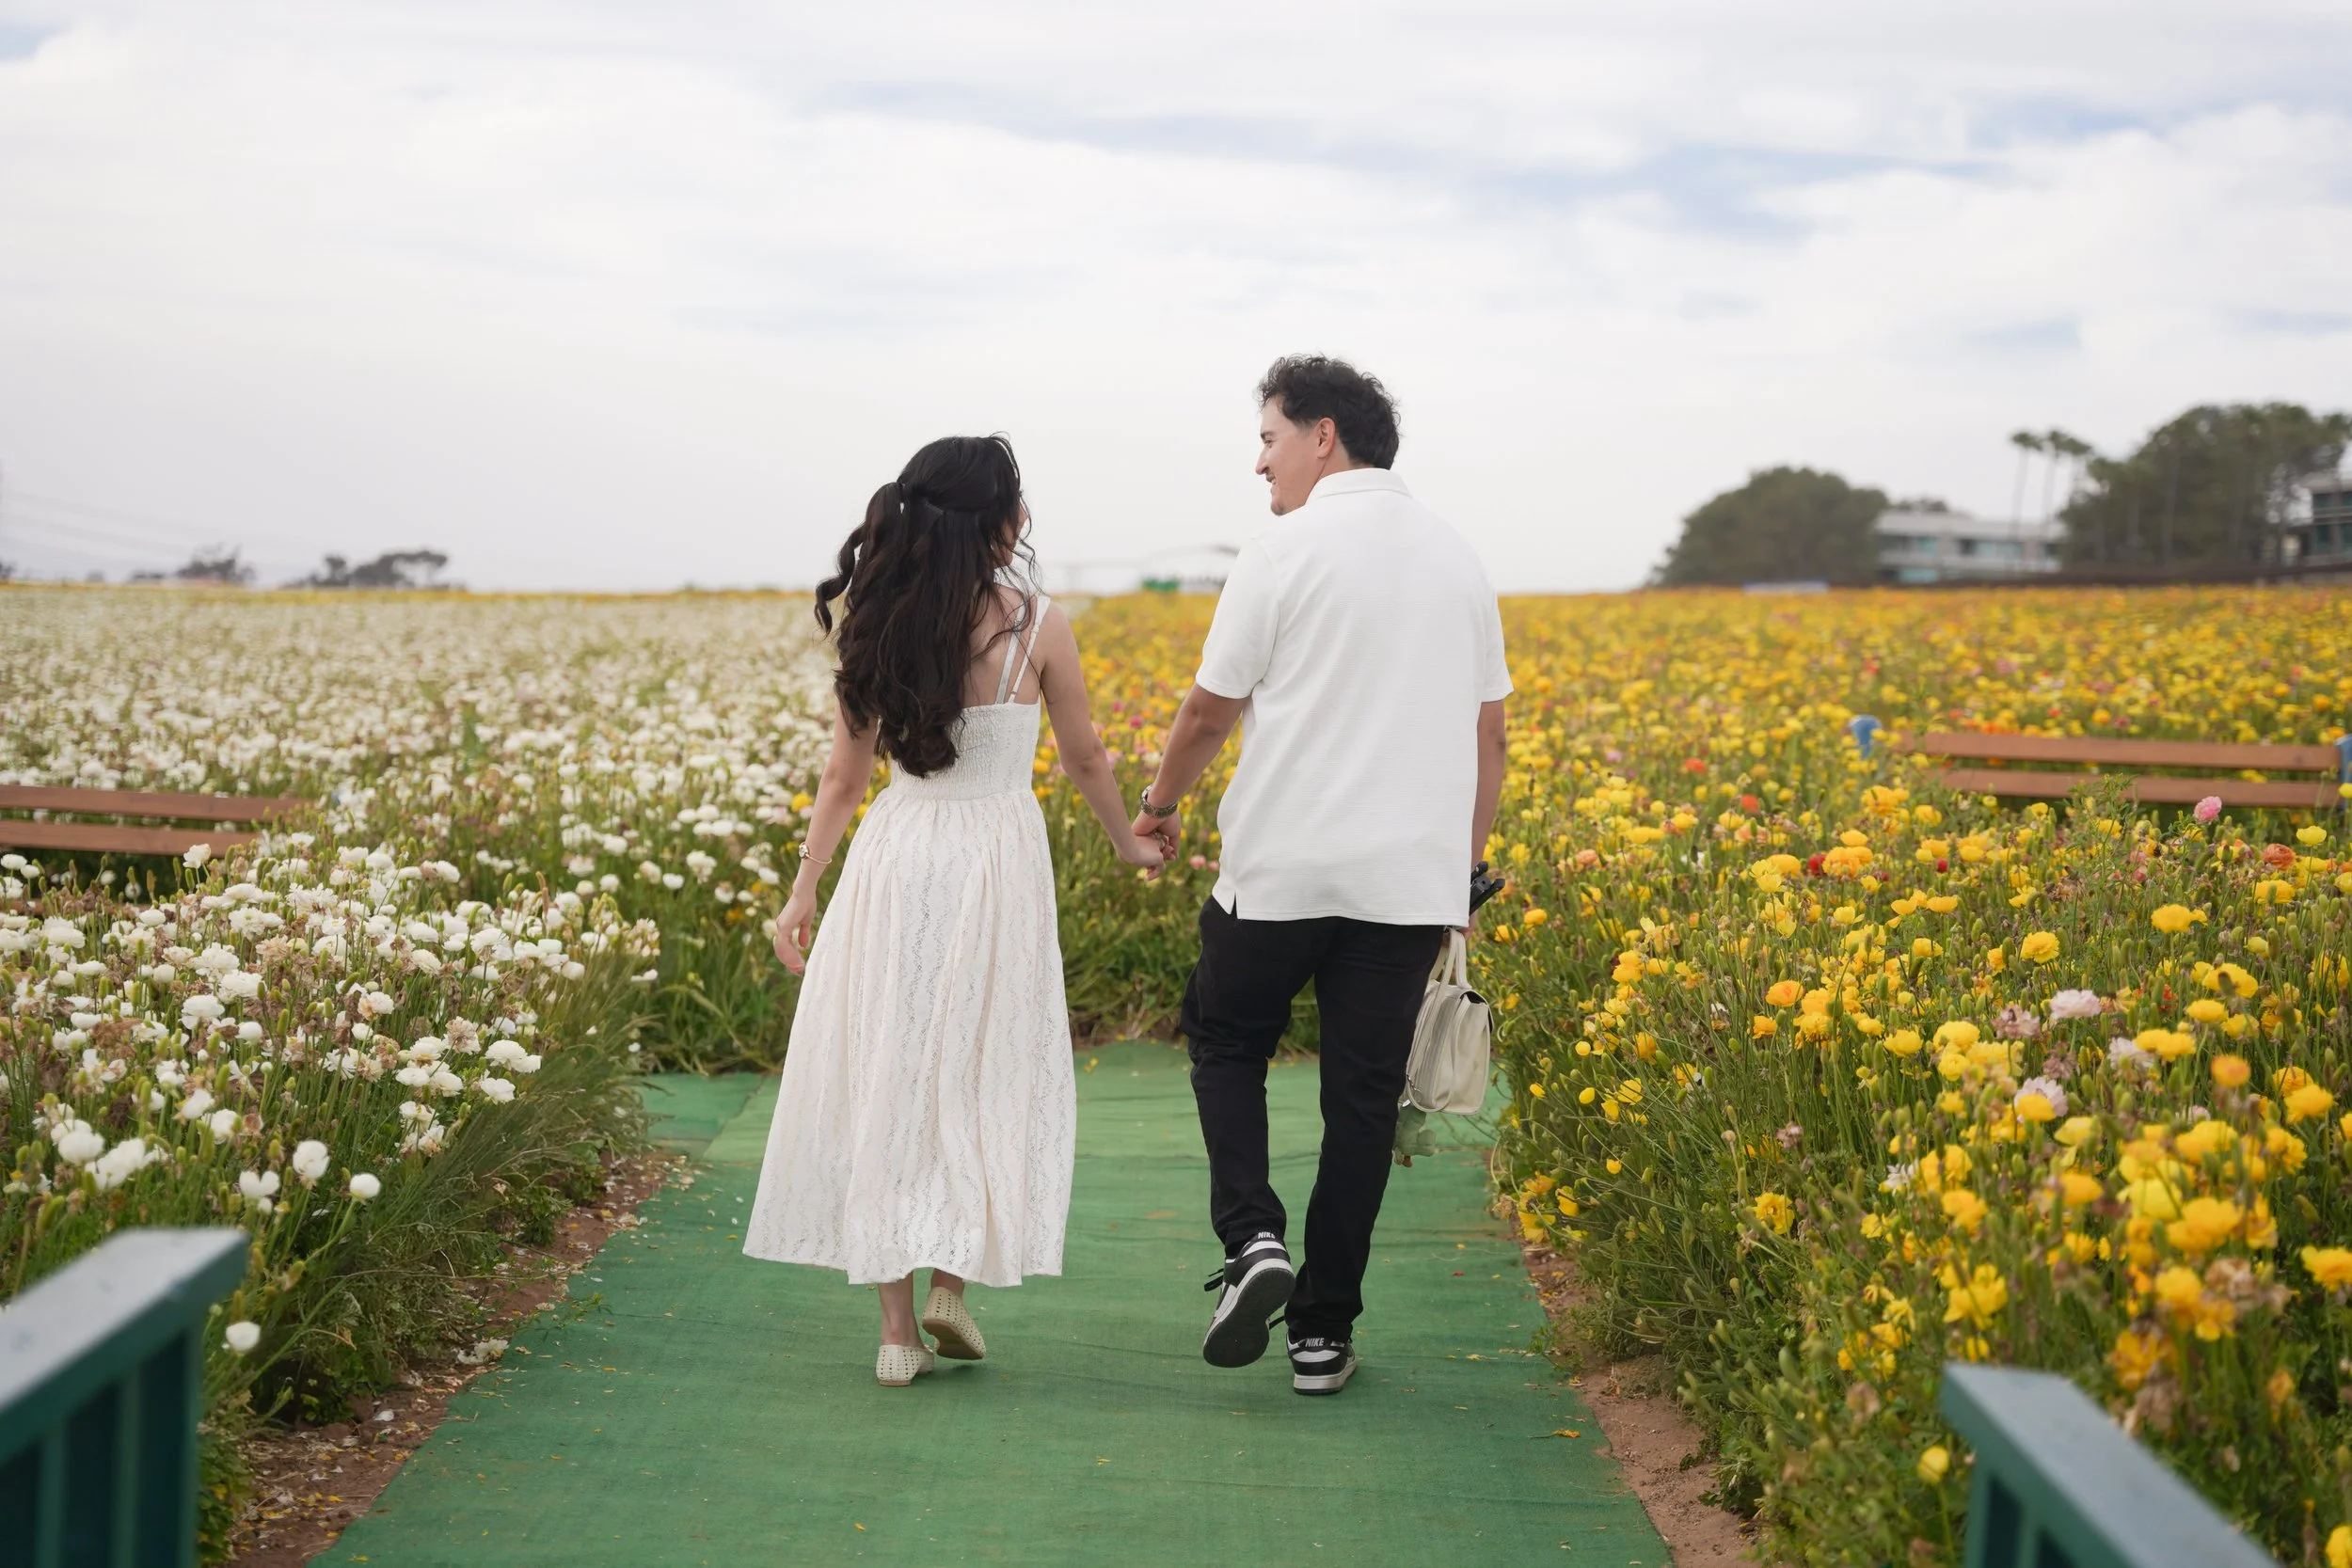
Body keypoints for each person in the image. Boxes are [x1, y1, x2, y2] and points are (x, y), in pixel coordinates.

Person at [743, 434, 1168, 1387]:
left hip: (899, 853)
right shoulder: (1037, 624)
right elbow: (1087, 757)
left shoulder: (877, 621)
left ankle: (895, 1334)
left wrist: (804, 884)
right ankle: (951, 1280)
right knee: (985, 1061)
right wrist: (1126, 840)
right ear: (1001, 520)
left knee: (886, 1066)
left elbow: (844, 777)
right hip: (996, 857)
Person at [1133, 356, 1510, 1396]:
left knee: (1225, 1038)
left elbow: (1209, 712)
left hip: (1281, 869)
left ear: (1323, 436)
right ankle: (1320, 1333)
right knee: (1359, 1101)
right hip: (1403, 887)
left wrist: (1158, 807)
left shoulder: (1282, 550)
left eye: (1268, 438)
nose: (1259, 464)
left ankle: (1252, 1238)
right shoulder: (1458, 557)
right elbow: (1490, 737)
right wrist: (1463, 870)